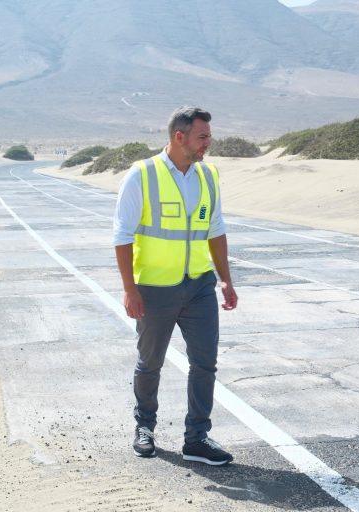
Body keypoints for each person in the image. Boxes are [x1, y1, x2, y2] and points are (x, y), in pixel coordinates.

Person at [113, 106, 238, 466]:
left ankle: (196, 439)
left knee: (205, 363)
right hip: (154, 288)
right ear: (178, 136)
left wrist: (226, 279)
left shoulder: (208, 175)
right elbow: (122, 236)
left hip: (199, 287)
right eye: (203, 137)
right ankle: (145, 428)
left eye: (209, 137)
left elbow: (215, 230)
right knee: (150, 363)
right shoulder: (143, 175)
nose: (208, 144)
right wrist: (129, 288)